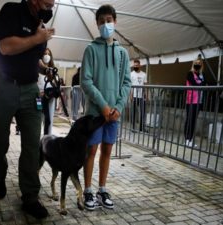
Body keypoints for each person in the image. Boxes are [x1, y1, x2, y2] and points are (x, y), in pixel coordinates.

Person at [0, 0, 55, 219]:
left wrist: (46, 70)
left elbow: (32, 57)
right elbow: (6, 47)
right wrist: (37, 39)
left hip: (30, 89)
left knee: (33, 145)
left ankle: (30, 197)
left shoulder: (41, 22)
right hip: (3, 85)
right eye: (47, 2)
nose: (50, 6)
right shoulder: (11, 11)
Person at [80, 4, 131, 211]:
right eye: (102, 21)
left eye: (109, 20)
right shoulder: (91, 49)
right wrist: (103, 106)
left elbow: (126, 82)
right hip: (95, 113)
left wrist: (118, 106)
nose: (106, 24)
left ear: (115, 21)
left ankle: (102, 188)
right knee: (91, 150)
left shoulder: (123, 53)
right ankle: (88, 190)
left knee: (107, 150)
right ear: (97, 24)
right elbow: (86, 81)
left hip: (114, 114)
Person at [184, 56, 206, 147]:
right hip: (191, 100)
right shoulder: (190, 73)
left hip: (199, 101)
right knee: (190, 119)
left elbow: (204, 84)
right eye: (196, 63)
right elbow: (195, 83)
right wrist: (201, 83)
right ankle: (187, 139)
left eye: (199, 64)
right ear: (193, 64)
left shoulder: (202, 75)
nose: (197, 65)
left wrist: (201, 82)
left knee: (194, 120)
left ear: (201, 65)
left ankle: (190, 139)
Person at [37, 47, 56, 135]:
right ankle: (36, 141)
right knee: (38, 119)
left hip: (50, 99)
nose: (47, 56)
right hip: (38, 98)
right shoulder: (37, 70)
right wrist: (39, 93)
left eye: (48, 54)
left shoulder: (53, 70)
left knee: (48, 120)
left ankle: (47, 138)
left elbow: (56, 85)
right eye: (45, 54)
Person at [130, 59, 148, 132]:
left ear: (140, 66)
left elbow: (145, 85)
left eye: (137, 65)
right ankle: (133, 128)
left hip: (141, 96)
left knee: (143, 112)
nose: (135, 66)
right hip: (134, 95)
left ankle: (142, 128)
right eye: (134, 65)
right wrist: (130, 95)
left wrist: (146, 94)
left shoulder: (144, 74)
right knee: (134, 112)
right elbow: (130, 85)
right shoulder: (131, 74)